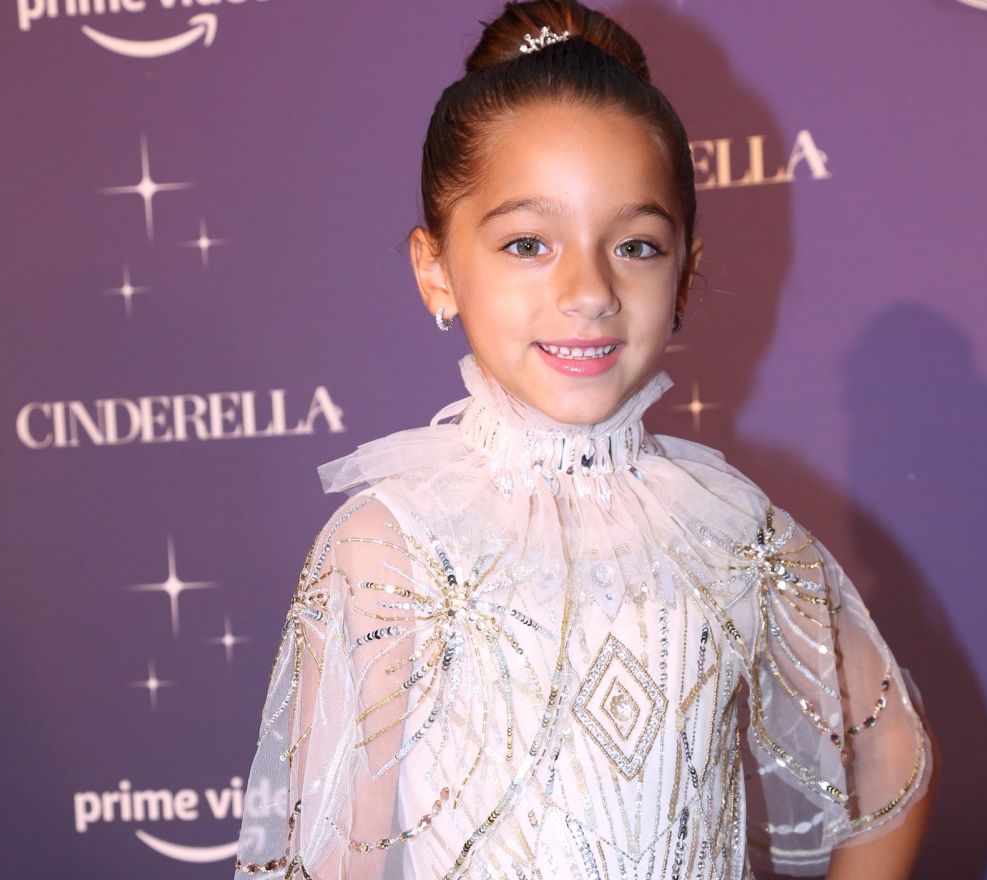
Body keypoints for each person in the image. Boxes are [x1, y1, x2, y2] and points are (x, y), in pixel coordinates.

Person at [232, 2, 937, 877]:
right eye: (529, 243)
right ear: (435, 269)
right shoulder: (391, 547)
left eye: (636, 246)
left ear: (685, 276)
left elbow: (888, 762)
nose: (590, 290)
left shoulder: (731, 532)